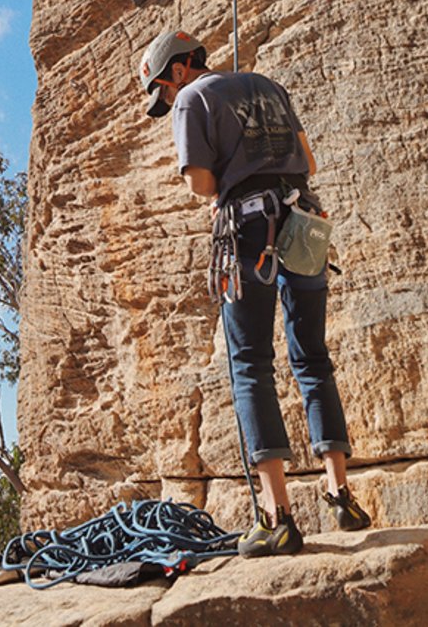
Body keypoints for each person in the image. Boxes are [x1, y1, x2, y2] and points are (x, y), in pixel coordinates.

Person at [137, 30, 372, 556]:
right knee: (312, 355)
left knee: (250, 364)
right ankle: (341, 496)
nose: (167, 100)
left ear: (178, 70)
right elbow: (306, 159)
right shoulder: (269, 86)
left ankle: (277, 516)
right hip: (303, 221)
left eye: (163, 89)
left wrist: (226, 175)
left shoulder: (194, 98)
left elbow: (200, 183)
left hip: (247, 229)